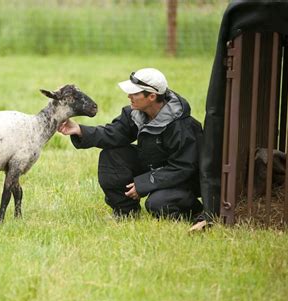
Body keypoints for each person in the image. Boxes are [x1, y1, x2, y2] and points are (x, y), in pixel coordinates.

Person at [58, 68, 203, 221]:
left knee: (157, 204)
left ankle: (195, 211)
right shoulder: (135, 113)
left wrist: (144, 184)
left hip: (182, 180)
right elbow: (113, 134)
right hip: (155, 167)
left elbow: (183, 168)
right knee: (112, 155)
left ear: (152, 96)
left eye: (135, 93)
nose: (129, 96)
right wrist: (79, 130)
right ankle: (126, 212)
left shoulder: (183, 127)